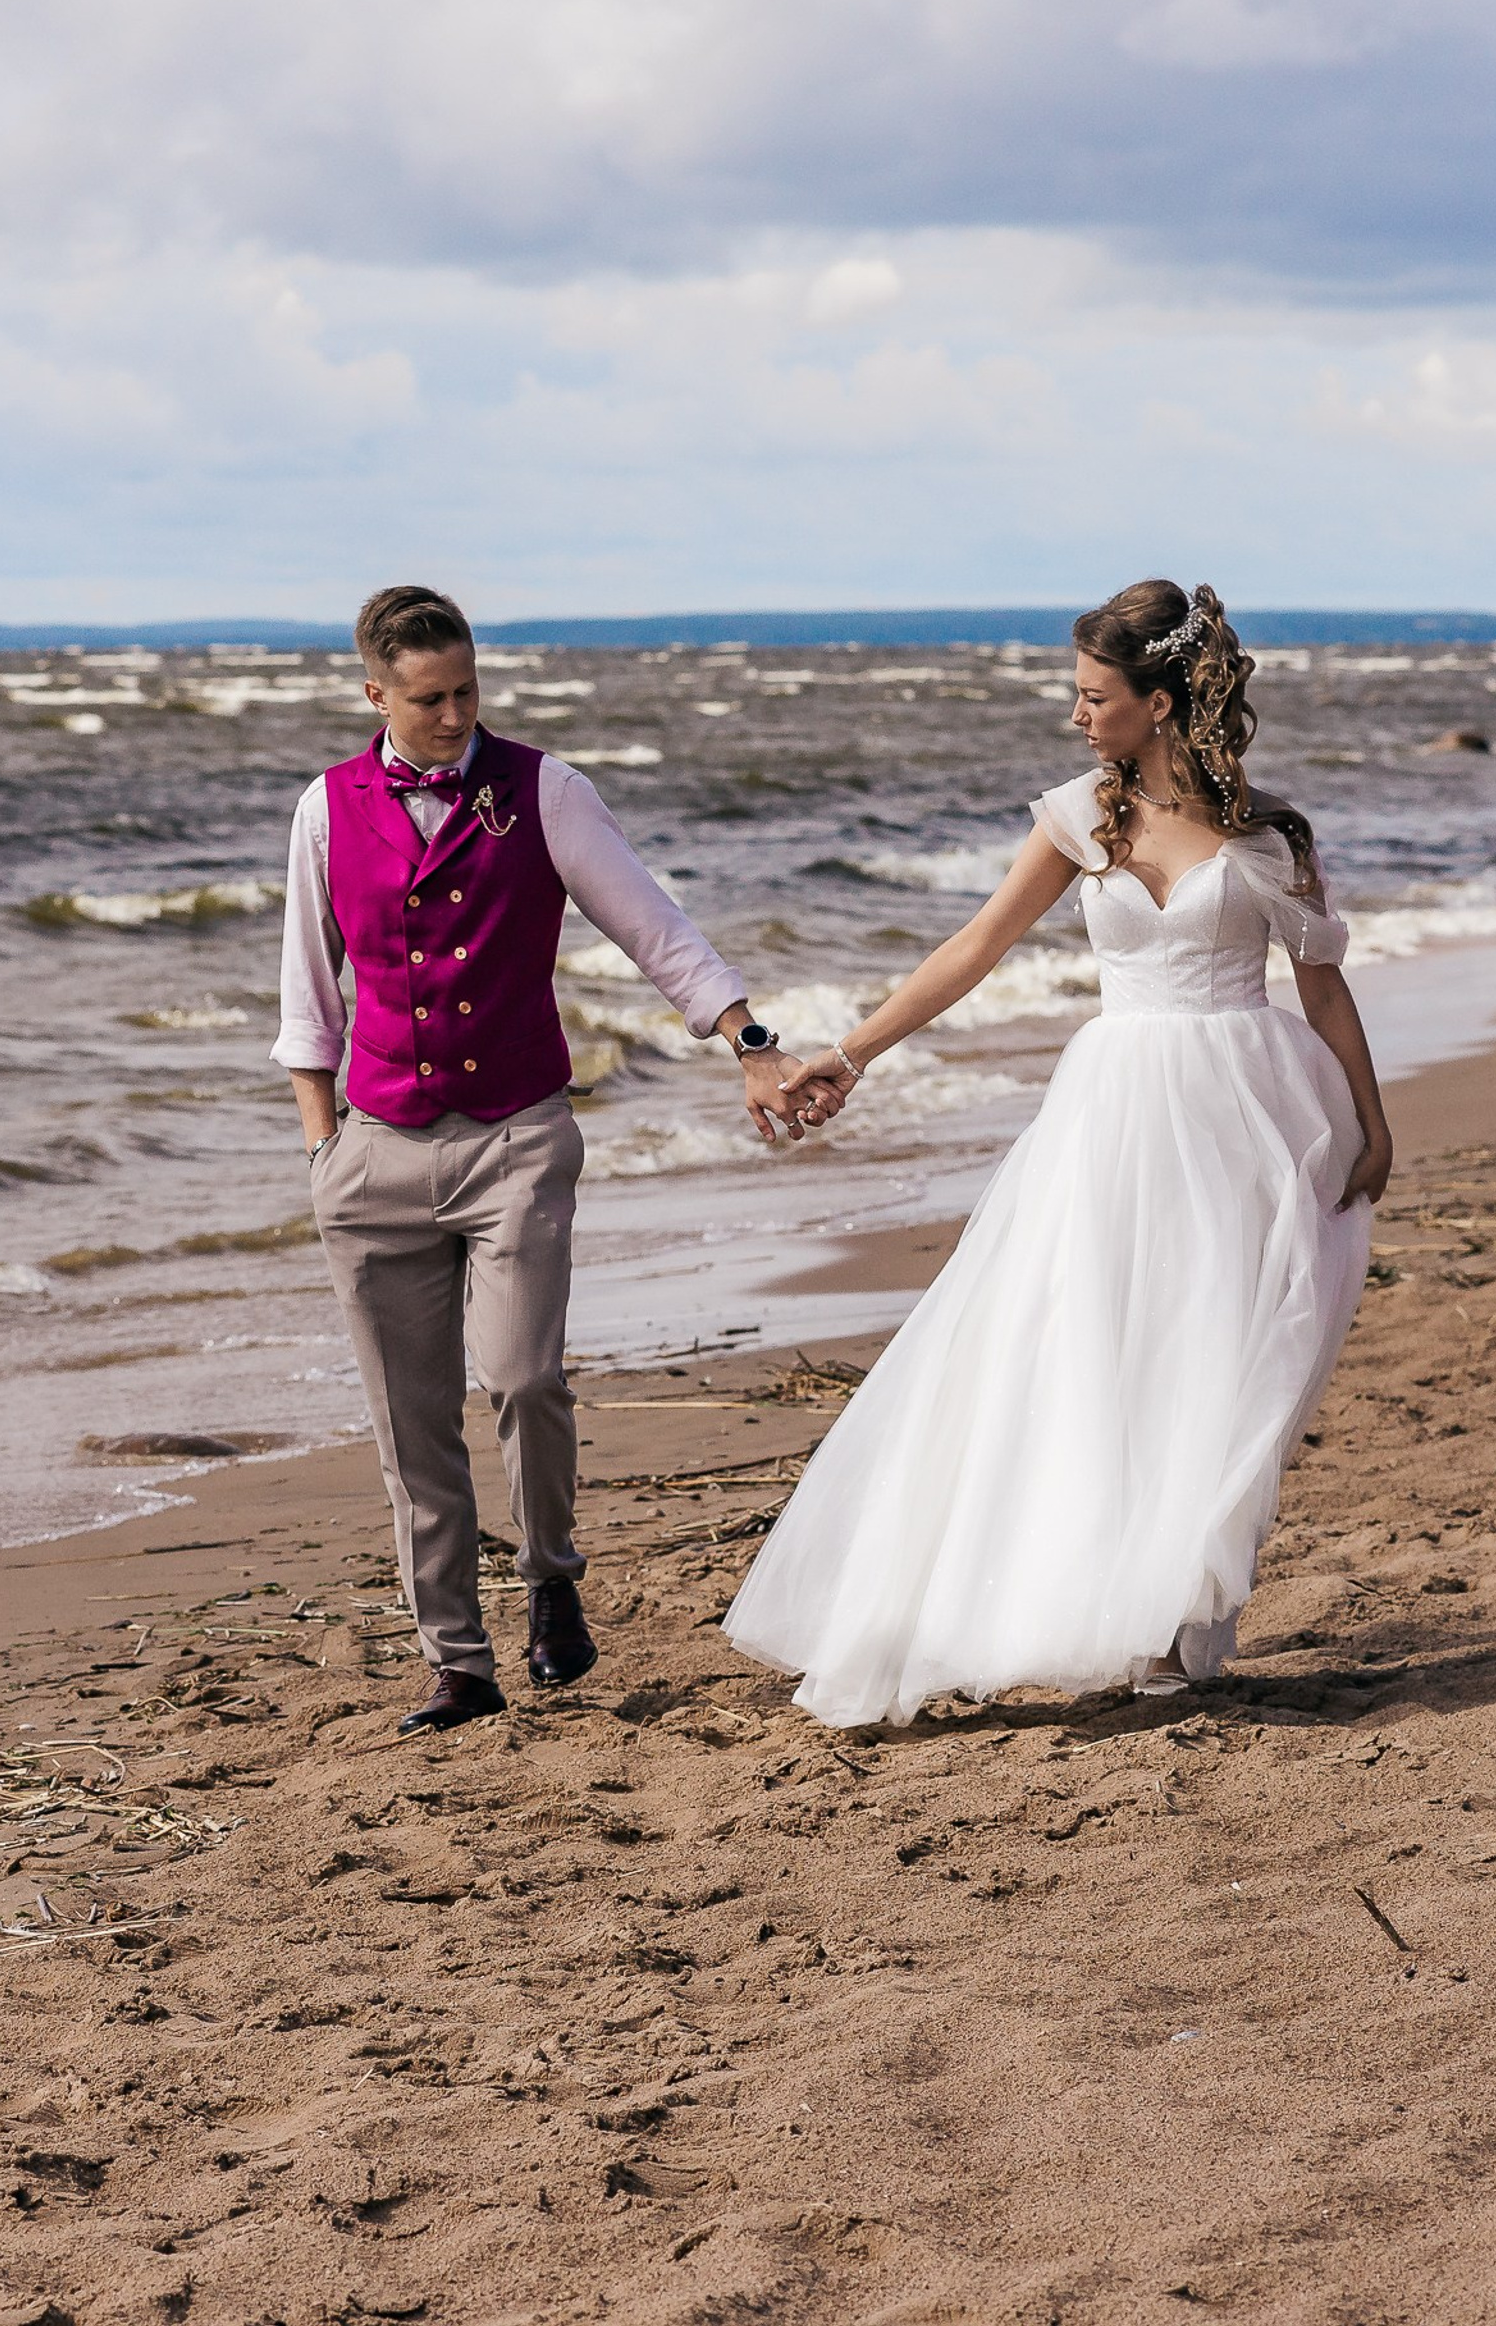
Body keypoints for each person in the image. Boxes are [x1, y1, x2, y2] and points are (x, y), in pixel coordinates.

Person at [724, 580, 1392, 1728]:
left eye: (1093, 695)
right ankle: (1107, 1602)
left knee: (1216, 1351)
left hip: (1247, 1110)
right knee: (1095, 1342)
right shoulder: (1083, 817)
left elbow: (1321, 989)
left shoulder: (1269, 835)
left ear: (1165, 700)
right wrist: (852, 1049)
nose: (1073, 713)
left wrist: (1372, 1123)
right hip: (1116, 1113)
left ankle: (1181, 1619)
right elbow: (975, 946)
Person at [275, 585, 814, 1734]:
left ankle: (551, 1573)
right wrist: (322, 1147)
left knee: (522, 1378)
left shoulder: (545, 790)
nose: (455, 714)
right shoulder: (325, 808)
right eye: (429, 699)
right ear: (374, 694)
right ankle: (457, 1662)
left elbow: (655, 931)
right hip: (372, 1154)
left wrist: (747, 1040)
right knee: (408, 1422)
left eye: (469, 690)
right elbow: (308, 998)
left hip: (516, 1135)